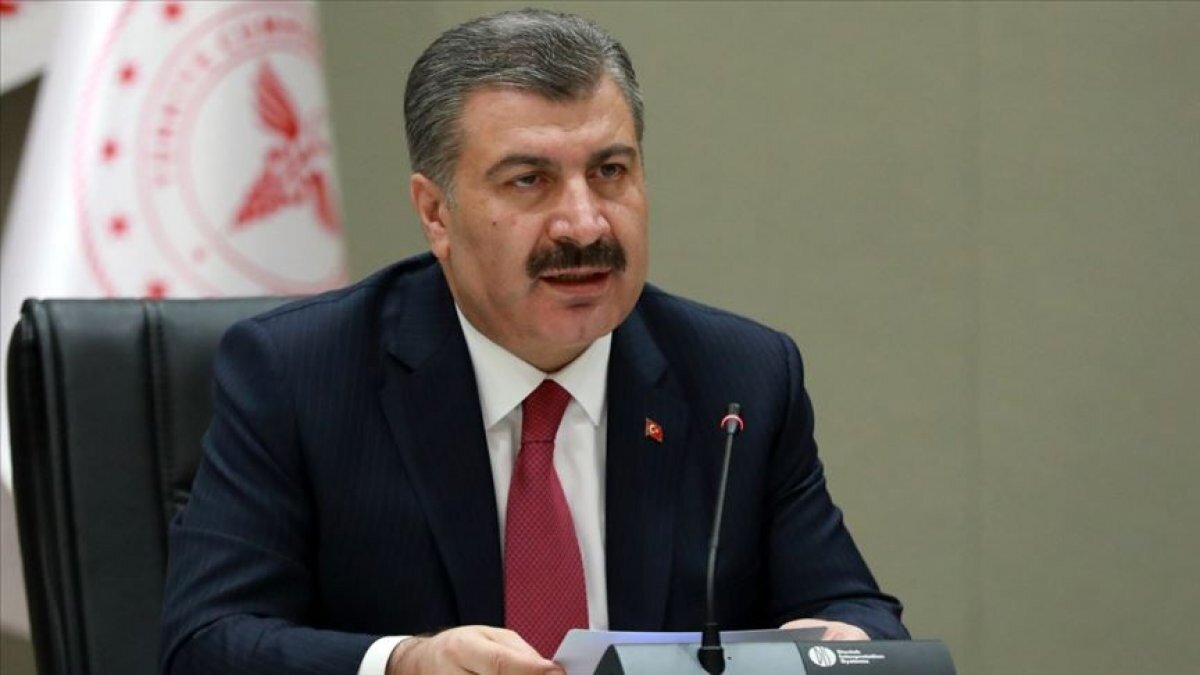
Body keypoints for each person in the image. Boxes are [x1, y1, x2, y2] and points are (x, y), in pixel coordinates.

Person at [159, 9, 907, 675]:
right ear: (436, 213)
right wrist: (403, 663)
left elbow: (856, 613)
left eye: (609, 171)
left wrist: (836, 645)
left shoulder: (739, 377)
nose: (584, 223)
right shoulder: (300, 374)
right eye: (529, 181)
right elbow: (205, 642)